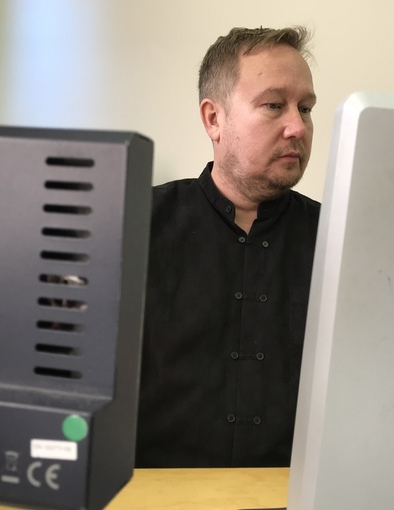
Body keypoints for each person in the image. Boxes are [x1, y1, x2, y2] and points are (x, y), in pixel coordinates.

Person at [135, 26, 320, 468]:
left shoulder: (337, 240)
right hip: (154, 491)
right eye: (274, 105)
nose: (297, 127)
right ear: (214, 119)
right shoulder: (134, 225)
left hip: (292, 492)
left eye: (306, 108)